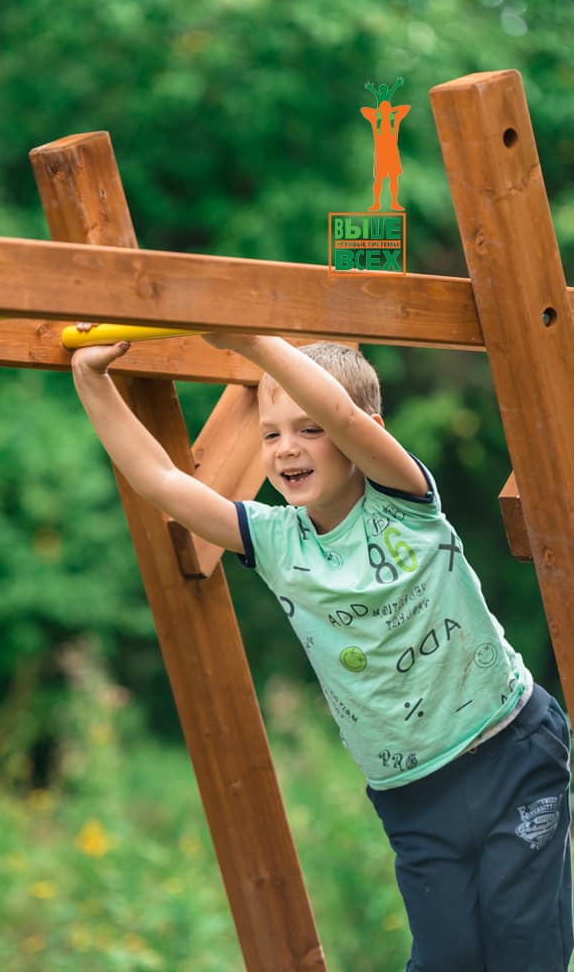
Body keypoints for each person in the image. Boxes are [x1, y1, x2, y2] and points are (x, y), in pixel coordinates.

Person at [71, 329, 573, 972]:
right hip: (414, 795)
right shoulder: (277, 542)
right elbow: (164, 483)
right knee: (446, 956)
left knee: (525, 947)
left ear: (365, 433)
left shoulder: (404, 498)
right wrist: (92, 382)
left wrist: (252, 342)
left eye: (308, 431)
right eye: (271, 433)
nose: (286, 450)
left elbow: (342, 409)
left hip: (508, 749)